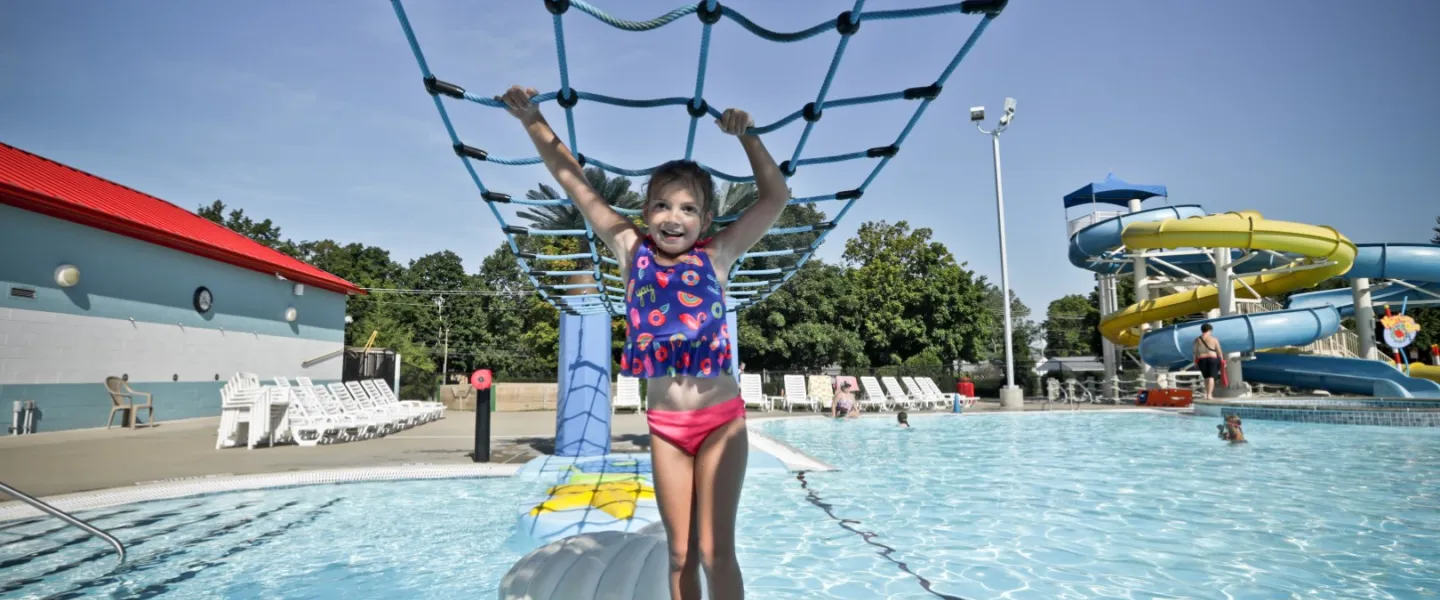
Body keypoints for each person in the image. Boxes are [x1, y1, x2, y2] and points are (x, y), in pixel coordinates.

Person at [499, 85, 788, 600]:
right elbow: (577, 185)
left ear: (704, 219)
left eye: (687, 208)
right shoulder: (632, 250)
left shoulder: (717, 255)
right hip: (666, 429)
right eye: (660, 205)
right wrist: (532, 121)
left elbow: (775, 197)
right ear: (645, 210)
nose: (671, 217)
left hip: (721, 423)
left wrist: (750, 139)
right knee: (679, 554)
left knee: (715, 552)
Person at [1193, 323, 1223, 400]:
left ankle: (1207, 394)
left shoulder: (1197, 340)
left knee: (1206, 377)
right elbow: (1219, 351)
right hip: (1212, 358)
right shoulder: (1214, 339)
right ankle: (1209, 395)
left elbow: (1195, 352)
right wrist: (1222, 360)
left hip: (1201, 360)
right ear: (1210, 330)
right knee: (1211, 377)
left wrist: (1195, 362)